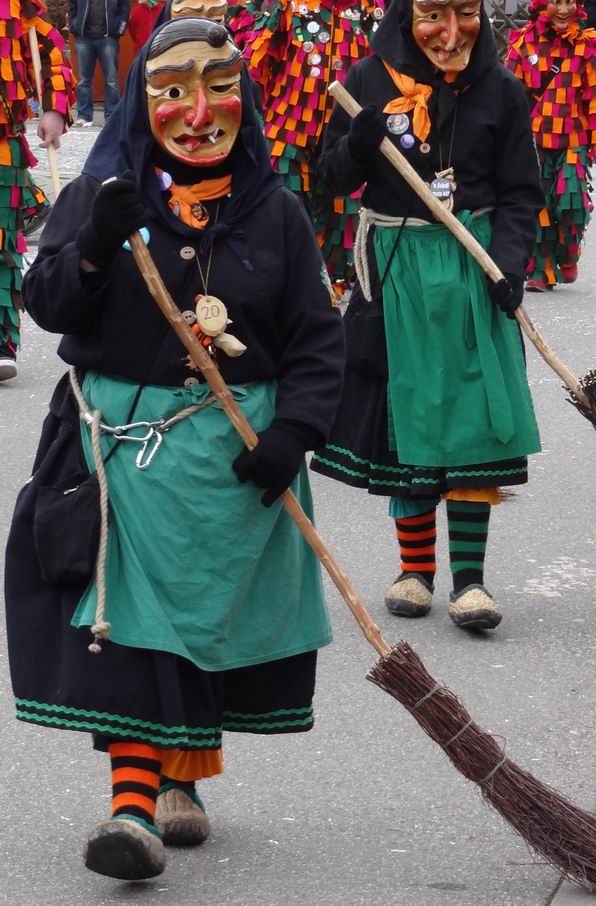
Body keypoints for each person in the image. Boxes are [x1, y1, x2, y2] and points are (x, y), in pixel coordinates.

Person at [5, 16, 343, 880]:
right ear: (141, 101)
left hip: (231, 462)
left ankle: (180, 778)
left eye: (217, 86)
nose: (197, 111)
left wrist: (291, 436)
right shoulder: (102, 190)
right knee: (128, 633)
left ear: (246, 97)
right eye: (172, 91)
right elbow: (46, 304)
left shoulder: (276, 214)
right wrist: (90, 244)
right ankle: (130, 811)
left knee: (200, 634)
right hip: (119, 454)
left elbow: (316, 342)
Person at [310, 0, 544, 630]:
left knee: (472, 418)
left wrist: (511, 262)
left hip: (473, 268)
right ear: (403, 18)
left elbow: (523, 192)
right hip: (396, 271)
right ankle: (416, 571)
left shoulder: (502, 90)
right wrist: (357, 149)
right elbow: (327, 178)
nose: (449, 34)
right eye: (432, 16)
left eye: (465, 13)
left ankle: (471, 582)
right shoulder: (365, 82)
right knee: (406, 414)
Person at [227, 0, 387, 292]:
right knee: (285, 212)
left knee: (342, 221)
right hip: (288, 134)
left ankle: (326, 294)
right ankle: (282, 289)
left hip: (343, 139)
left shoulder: (368, 10)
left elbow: (381, 67)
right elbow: (256, 60)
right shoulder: (289, 7)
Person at [505, 0, 596, 291]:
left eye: (569, 2)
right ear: (542, 6)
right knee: (537, 203)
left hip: (574, 137)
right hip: (534, 139)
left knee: (571, 203)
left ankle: (568, 252)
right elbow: (506, 93)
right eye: (556, 2)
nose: (563, 10)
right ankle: (542, 271)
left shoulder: (585, 44)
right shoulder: (524, 42)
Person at [0, 0, 74, 382]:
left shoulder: (15, 9)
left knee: (1, 247)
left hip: (1, 147)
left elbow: (53, 54)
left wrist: (54, 109)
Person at [68, 0, 130, 125]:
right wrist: (73, 25)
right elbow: (72, 6)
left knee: (111, 80)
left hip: (109, 38)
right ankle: (84, 116)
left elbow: (125, 7)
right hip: (83, 38)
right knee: (84, 80)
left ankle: (112, 117)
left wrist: (119, 30)